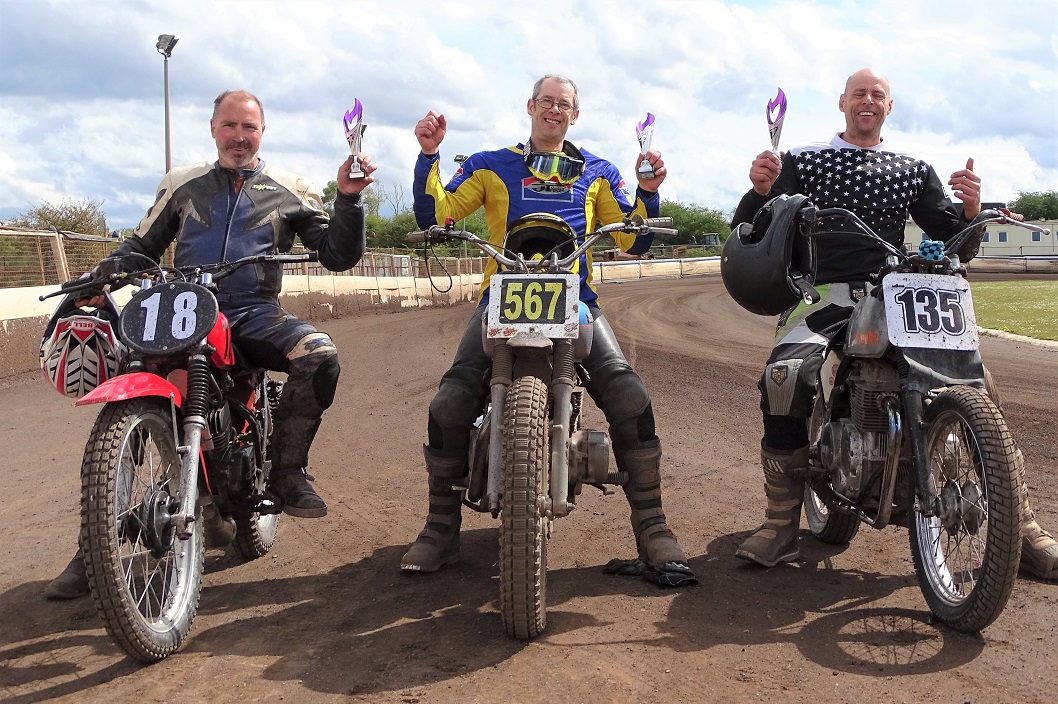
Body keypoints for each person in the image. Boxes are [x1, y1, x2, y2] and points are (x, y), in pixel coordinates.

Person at [45, 89, 376, 599]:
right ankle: (94, 543)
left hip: (253, 312)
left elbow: (338, 255)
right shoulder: (182, 184)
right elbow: (142, 245)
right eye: (230, 125)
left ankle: (289, 471)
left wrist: (348, 199)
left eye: (249, 127)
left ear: (262, 132)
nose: (239, 137)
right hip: (181, 307)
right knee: (132, 382)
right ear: (213, 128)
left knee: (318, 354)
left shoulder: (290, 189)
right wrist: (106, 271)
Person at [729, 68, 1058, 581]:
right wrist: (760, 190)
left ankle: (1024, 527)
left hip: (897, 289)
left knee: (978, 382)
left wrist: (971, 210)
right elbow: (756, 225)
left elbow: (954, 237)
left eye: (877, 94)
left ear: (889, 106)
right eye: (859, 93)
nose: (868, 100)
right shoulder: (802, 159)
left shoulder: (912, 167)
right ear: (842, 102)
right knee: (784, 376)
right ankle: (780, 520)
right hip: (824, 291)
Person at [401, 74, 694, 587]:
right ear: (530, 106)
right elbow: (438, 213)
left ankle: (652, 526)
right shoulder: (490, 164)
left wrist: (648, 190)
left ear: (575, 115)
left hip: (576, 299)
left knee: (627, 393)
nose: (554, 110)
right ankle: (440, 526)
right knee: (450, 400)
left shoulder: (599, 172)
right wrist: (429, 156)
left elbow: (634, 240)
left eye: (564, 104)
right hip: (500, 296)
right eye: (546, 102)